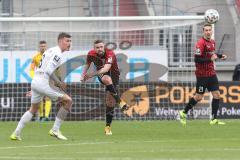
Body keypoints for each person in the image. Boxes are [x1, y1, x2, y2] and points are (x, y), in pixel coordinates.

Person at [10, 32, 72, 140]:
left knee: (33, 109)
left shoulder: (50, 50)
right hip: (43, 83)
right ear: (60, 41)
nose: (69, 43)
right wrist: (58, 82)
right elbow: (48, 70)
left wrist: (36, 88)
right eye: (67, 41)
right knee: (68, 101)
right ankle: (55, 130)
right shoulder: (58, 53)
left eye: (70, 41)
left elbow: (43, 68)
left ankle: (16, 133)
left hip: (36, 82)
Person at [179, 23, 227, 126]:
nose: (208, 32)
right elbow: (197, 59)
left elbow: (211, 54)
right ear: (203, 31)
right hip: (202, 75)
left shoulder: (212, 42)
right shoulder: (200, 43)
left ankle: (213, 119)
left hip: (211, 73)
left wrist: (220, 56)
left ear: (212, 31)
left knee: (217, 94)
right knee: (199, 97)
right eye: (206, 30)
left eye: (210, 30)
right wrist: (211, 59)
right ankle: (183, 113)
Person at [81, 40, 129, 135]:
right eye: (97, 47)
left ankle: (107, 127)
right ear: (94, 48)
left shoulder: (110, 54)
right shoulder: (91, 54)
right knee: (106, 79)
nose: (99, 49)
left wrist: (91, 75)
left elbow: (106, 68)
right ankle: (120, 102)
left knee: (110, 102)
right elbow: (87, 63)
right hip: (102, 75)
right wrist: (83, 75)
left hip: (114, 77)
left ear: (104, 47)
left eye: (101, 47)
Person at [30, 40, 52, 121]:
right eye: (41, 46)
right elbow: (31, 69)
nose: (43, 48)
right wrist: (33, 77)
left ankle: (46, 116)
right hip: (39, 79)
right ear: (39, 47)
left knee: (48, 97)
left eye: (44, 46)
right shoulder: (35, 57)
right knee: (40, 98)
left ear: (46, 47)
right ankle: (41, 116)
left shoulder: (50, 56)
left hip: (48, 79)